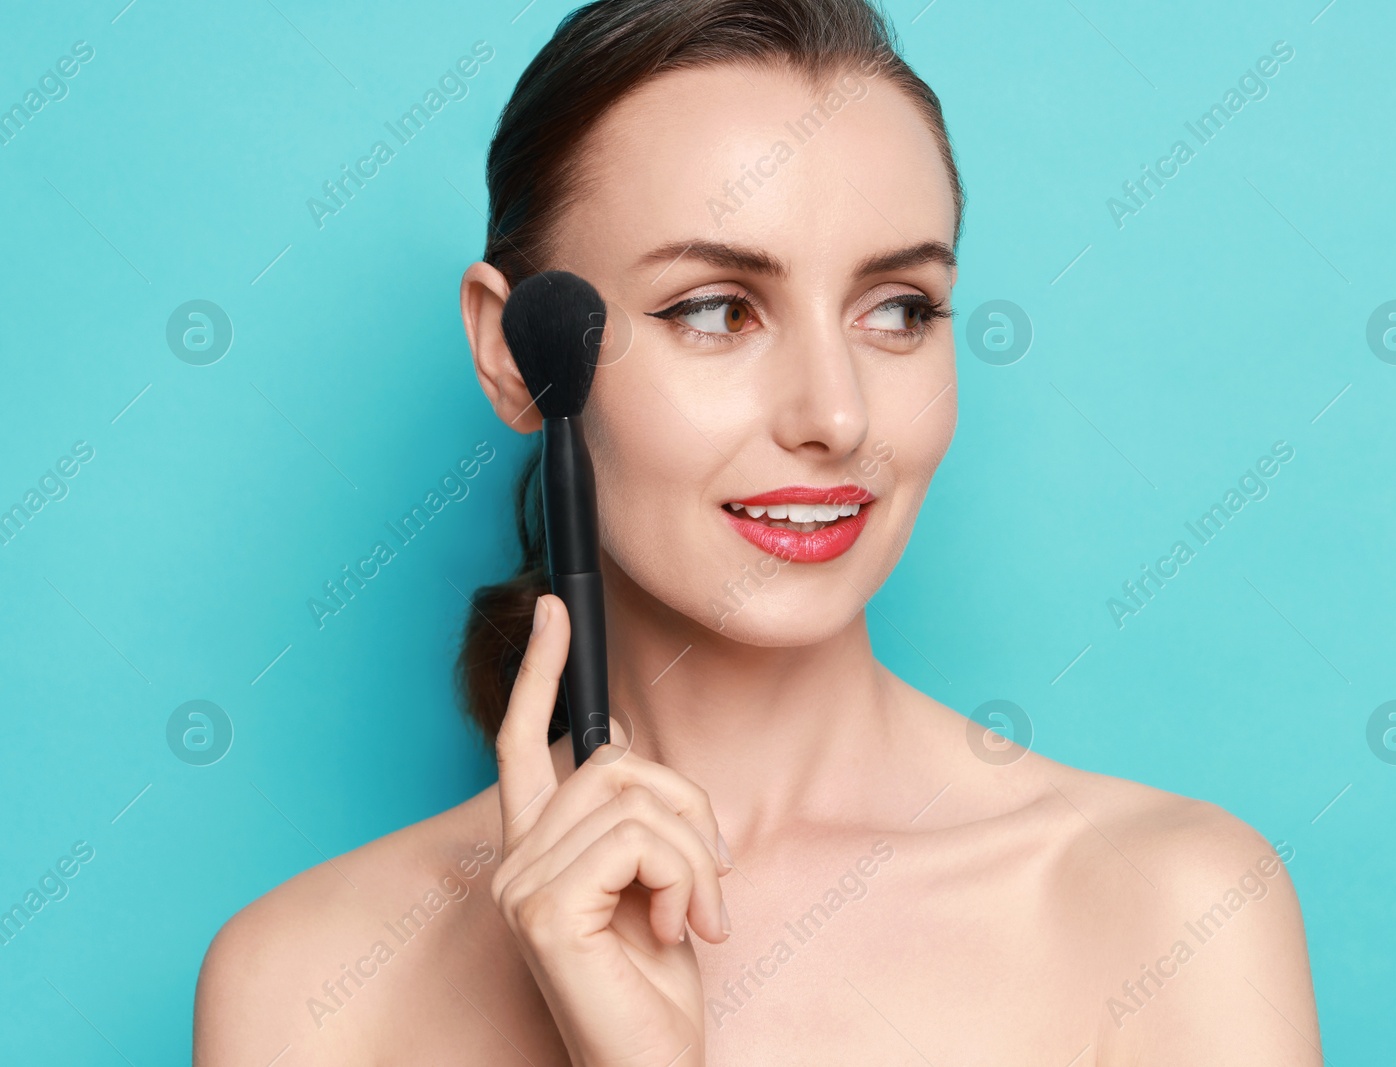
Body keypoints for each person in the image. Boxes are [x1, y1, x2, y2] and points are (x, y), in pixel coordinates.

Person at [195, 1, 1319, 1062]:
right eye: (715, 310)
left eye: (898, 310)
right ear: (512, 352)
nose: (834, 416)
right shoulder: (307, 983)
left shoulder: (1171, 912)